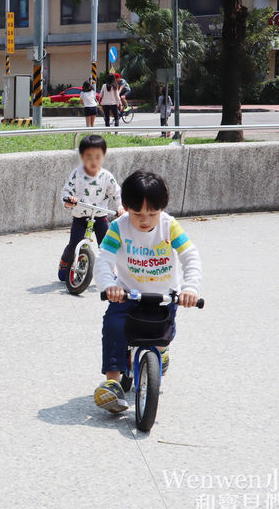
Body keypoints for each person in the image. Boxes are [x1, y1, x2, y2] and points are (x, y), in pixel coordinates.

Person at [92, 170, 202, 413]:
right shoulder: (118, 228)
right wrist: (108, 286)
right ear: (125, 207)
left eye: (152, 213)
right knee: (114, 327)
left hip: (163, 297)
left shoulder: (169, 226)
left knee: (163, 335)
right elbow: (104, 259)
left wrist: (190, 288)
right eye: (137, 213)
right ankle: (112, 382)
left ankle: (161, 353)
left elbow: (189, 255)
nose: (145, 220)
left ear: (161, 208)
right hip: (127, 294)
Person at [58, 135, 123, 282]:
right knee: (74, 244)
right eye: (88, 157)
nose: (93, 161)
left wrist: (120, 207)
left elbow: (117, 193)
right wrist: (69, 201)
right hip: (81, 217)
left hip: (100, 217)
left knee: (106, 246)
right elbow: (66, 192)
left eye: (97, 157)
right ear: (82, 156)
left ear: (103, 156)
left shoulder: (107, 176)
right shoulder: (77, 174)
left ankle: (108, 270)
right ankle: (64, 263)